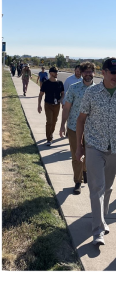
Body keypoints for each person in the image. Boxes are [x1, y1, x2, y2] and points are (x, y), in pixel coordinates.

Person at [74, 58, 116, 245]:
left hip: (114, 149)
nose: (115, 76)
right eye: (112, 72)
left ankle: (102, 218)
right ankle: (97, 230)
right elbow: (81, 120)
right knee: (96, 188)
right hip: (94, 147)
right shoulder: (91, 93)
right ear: (104, 73)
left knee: (107, 188)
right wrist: (79, 146)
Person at [59, 62, 95, 195]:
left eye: (90, 71)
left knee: (89, 155)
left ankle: (85, 170)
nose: (88, 74)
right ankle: (77, 181)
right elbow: (66, 108)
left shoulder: (98, 90)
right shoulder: (73, 88)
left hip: (92, 130)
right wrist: (62, 125)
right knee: (77, 155)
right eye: (85, 71)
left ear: (94, 73)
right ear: (81, 73)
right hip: (74, 127)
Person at [37, 66, 64, 147]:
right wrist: (39, 105)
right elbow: (41, 94)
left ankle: (51, 133)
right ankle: (49, 138)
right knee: (49, 121)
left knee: (54, 121)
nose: (56, 73)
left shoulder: (60, 83)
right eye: (55, 72)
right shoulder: (46, 83)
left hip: (57, 105)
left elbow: (63, 93)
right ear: (50, 73)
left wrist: (61, 99)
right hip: (48, 105)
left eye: (57, 72)